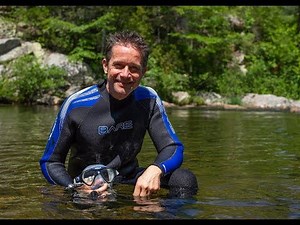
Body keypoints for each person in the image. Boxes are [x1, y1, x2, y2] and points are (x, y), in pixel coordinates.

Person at [39, 30, 198, 199]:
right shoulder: (77, 105)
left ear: (143, 71)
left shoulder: (148, 99)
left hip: (127, 178)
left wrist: (156, 169)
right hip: (86, 184)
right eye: (119, 65)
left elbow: (172, 147)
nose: (125, 74)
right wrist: (73, 187)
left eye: (134, 68)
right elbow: (50, 162)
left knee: (184, 179)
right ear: (105, 65)